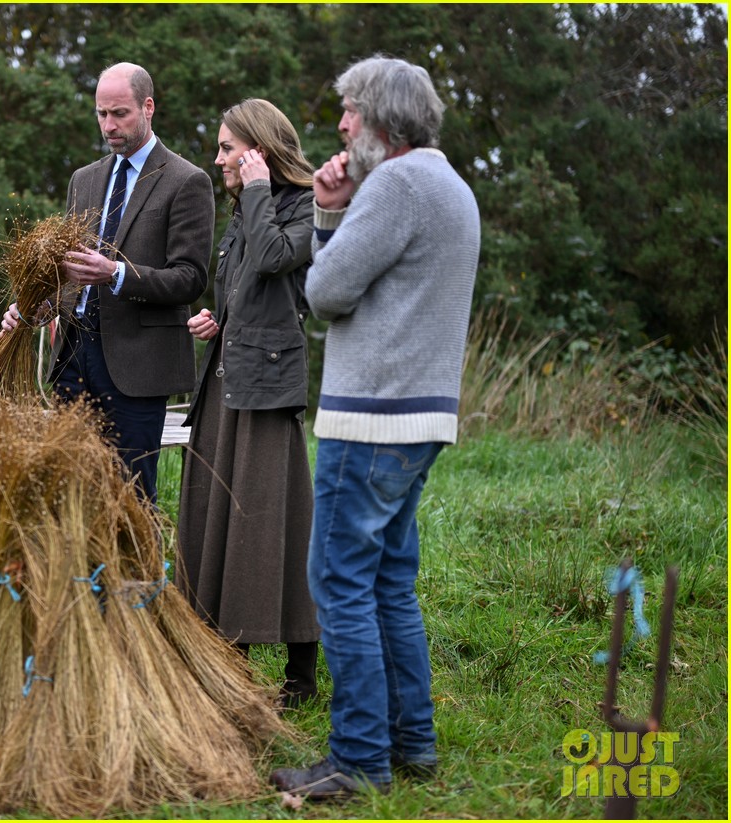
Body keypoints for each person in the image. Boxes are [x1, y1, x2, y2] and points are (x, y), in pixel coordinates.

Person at [269, 56, 480, 799]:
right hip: (423, 417)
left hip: (372, 418)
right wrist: (338, 206)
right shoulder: (449, 184)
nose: (341, 123)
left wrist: (328, 213)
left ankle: (358, 758)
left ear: (383, 121)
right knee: (389, 580)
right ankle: (411, 744)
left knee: (339, 580)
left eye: (351, 109)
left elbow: (324, 292)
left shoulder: (394, 184)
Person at [0, 62, 214, 504]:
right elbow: (69, 271)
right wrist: (34, 306)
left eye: (120, 114)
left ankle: (137, 577)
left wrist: (116, 274)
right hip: (73, 359)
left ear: (148, 107)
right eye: (102, 114)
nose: (109, 126)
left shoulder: (187, 181)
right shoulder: (85, 179)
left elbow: (189, 278)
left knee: (130, 498)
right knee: (69, 492)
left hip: (138, 367)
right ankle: (80, 576)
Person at [174, 99, 319, 709]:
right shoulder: (245, 210)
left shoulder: (309, 204)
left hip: (266, 391)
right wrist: (221, 319)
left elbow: (273, 258)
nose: (218, 159)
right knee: (217, 519)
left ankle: (301, 676)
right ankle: (223, 663)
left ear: (259, 150)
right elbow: (255, 288)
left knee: (271, 526)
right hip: (226, 384)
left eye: (228, 148)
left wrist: (259, 190)